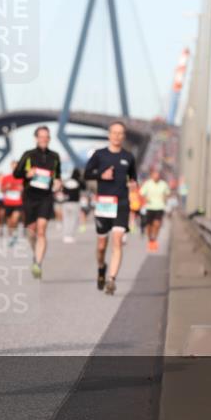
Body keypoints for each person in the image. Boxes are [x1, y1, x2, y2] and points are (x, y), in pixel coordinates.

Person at [83, 121, 137, 295]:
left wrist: (134, 184)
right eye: (114, 133)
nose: (117, 136)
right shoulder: (99, 155)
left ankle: (111, 279)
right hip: (104, 203)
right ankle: (101, 267)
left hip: (121, 203)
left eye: (120, 133)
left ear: (124, 136)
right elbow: (86, 174)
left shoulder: (129, 157)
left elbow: (133, 178)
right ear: (109, 135)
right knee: (101, 246)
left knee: (117, 241)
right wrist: (101, 175)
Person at [12, 126, 61, 279]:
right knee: (31, 231)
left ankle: (38, 263)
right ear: (36, 138)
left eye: (47, 137)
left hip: (46, 197)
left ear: (49, 139)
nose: (44, 139)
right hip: (30, 196)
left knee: (41, 229)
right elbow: (16, 174)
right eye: (41, 136)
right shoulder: (28, 154)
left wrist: (59, 182)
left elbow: (57, 176)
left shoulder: (55, 156)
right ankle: (36, 254)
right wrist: (28, 173)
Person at [139, 166, 171, 252]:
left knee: (157, 224)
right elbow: (141, 193)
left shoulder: (163, 184)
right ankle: (150, 239)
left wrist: (165, 198)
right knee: (149, 226)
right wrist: (146, 199)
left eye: (158, 175)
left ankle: (154, 239)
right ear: (152, 175)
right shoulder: (148, 183)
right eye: (155, 175)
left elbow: (168, 193)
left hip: (159, 207)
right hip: (150, 207)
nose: (156, 176)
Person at [0, 161, 23, 246]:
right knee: (9, 222)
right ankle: (11, 236)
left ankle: (14, 233)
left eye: (16, 167)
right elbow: (1, 190)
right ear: (11, 167)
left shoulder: (22, 178)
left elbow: (27, 190)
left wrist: (22, 189)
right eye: (13, 167)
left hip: (18, 202)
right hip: (8, 203)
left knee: (15, 219)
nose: (15, 168)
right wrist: (6, 187)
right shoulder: (6, 178)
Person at [60, 167, 84, 243]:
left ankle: (66, 235)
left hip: (66, 203)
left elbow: (63, 191)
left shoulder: (67, 182)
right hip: (75, 203)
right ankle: (70, 235)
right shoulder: (79, 182)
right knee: (73, 220)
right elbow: (84, 187)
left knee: (66, 219)